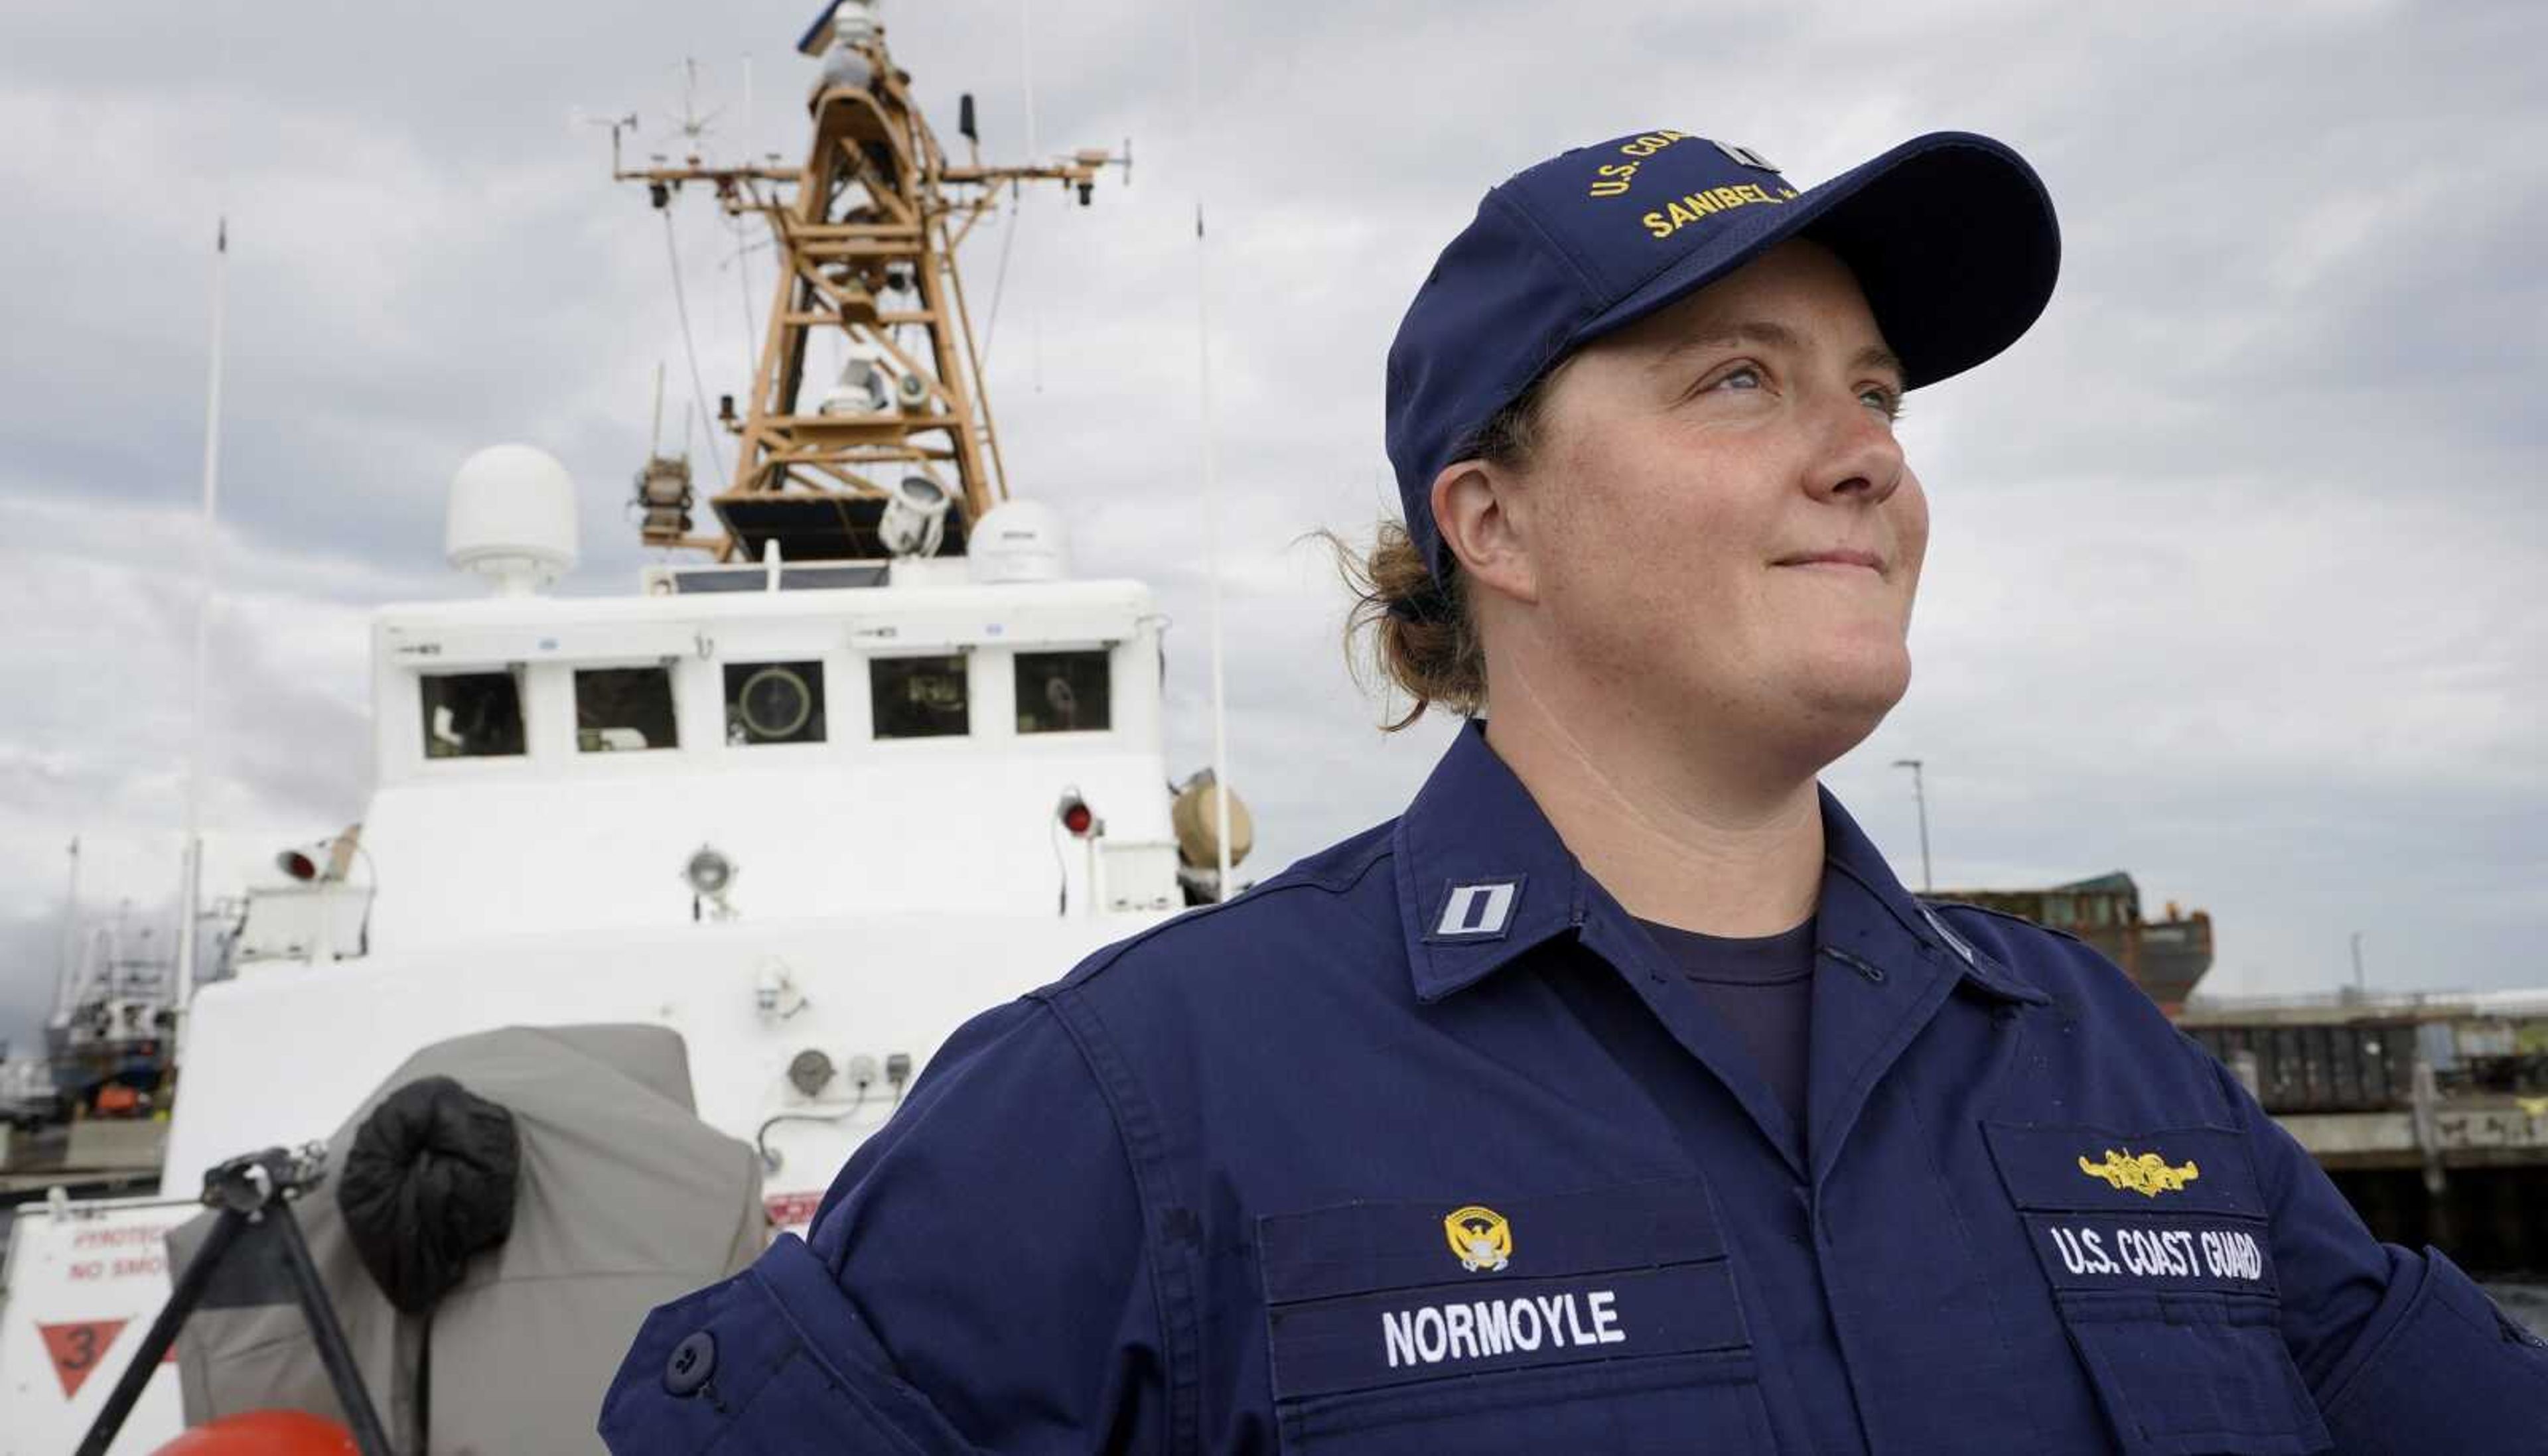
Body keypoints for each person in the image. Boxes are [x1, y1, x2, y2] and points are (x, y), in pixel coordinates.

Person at [599, 128, 2548, 1453]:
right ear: (1495, 522)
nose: (1866, 451)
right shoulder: (1134, 1108)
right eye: (1738, 380)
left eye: (1873, 391)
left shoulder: (2103, 1073)